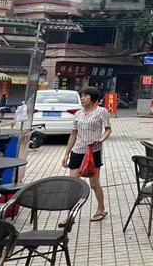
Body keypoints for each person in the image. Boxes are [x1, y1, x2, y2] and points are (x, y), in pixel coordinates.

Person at [62, 86, 111, 222]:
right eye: (81, 96)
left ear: (93, 98)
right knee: (73, 184)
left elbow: (108, 129)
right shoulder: (78, 113)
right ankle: (69, 215)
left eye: (85, 96)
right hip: (77, 151)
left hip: (93, 152)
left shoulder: (101, 111)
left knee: (94, 184)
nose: (82, 98)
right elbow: (73, 134)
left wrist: (101, 139)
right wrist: (66, 154)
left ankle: (101, 208)